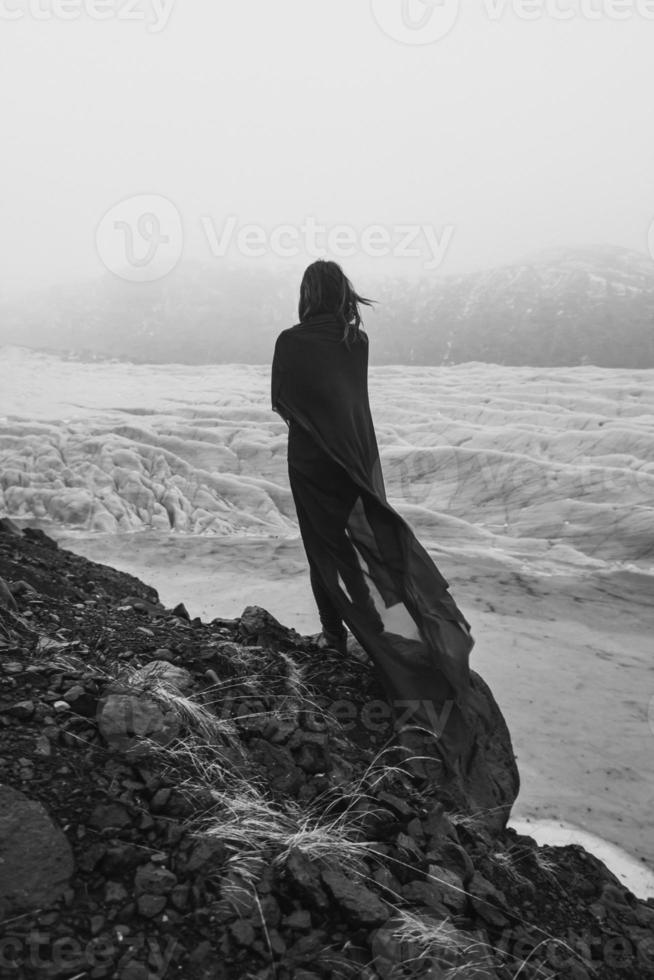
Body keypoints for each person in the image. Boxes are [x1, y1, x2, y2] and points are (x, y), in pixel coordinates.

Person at [271, 260, 475, 770]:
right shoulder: (356, 342)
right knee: (366, 538)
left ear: (306, 294)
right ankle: (392, 622)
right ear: (343, 294)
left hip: (312, 458)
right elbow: (352, 401)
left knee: (323, 544)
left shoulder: (290, 341)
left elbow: (282, 403)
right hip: (355, 457)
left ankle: (337, 635)